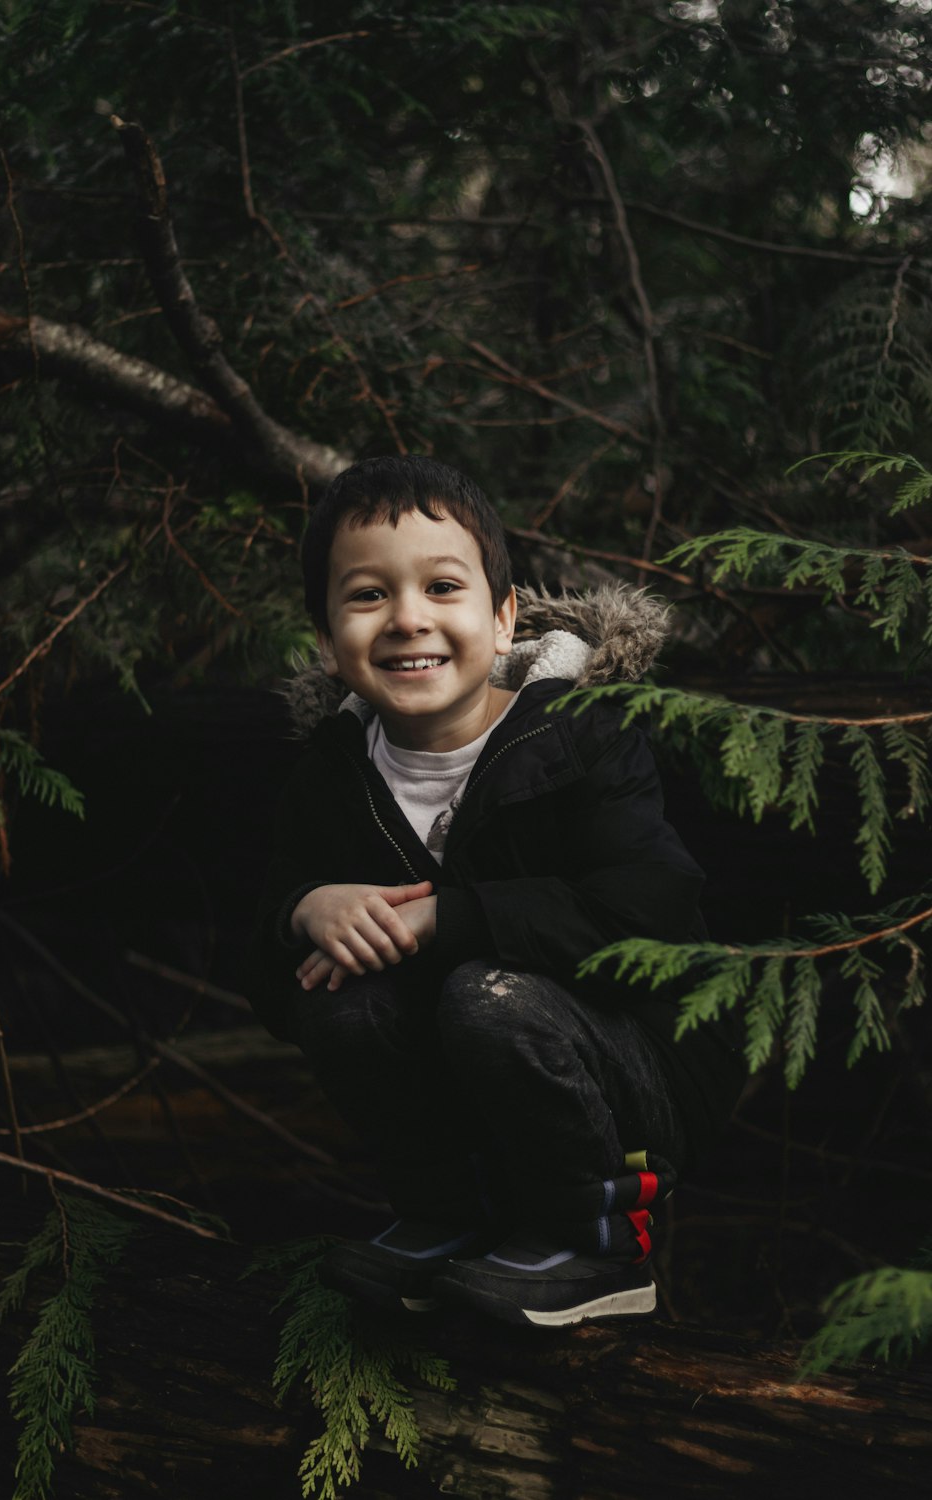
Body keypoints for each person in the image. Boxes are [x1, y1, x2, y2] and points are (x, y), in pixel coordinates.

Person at [248, 454, 745, 1327]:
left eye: (443, 588)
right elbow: (253, 962)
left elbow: (647, 913)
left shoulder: (583, 738)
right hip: (471, 1082)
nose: (409, 619)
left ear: (504, 615)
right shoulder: (330, 779)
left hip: (631, 1075)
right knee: (341, 1004)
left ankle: (596, 1247)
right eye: (367, 596)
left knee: (490, 996)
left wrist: (454, 917)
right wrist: (305, 909)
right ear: (325, 638)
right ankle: (453, 1219)